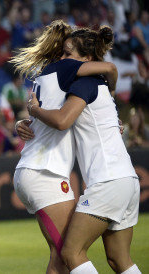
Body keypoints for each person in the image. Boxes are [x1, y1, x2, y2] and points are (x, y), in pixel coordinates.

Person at [24, 26, 141, 274]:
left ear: (87, 60)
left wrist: (34, 111)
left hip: (107, 180)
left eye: (68, 54)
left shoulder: (83, 84)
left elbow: (62, 120)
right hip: (128, 180)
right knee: (119, 260)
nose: (63, 60)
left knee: (70, 253)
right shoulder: (99, 88)